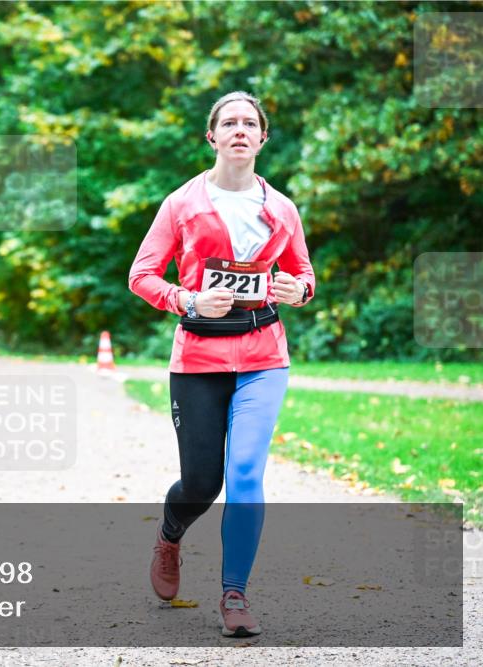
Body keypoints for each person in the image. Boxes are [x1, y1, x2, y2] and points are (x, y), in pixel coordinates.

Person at [128, 91, 315, 638]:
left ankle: (235, 595)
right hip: (198, 357)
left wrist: (296, 288)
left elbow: (305, 276)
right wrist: (185, 301)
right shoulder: (181, 203)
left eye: (249, 123)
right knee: (201, 483)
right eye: (228, 122)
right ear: (212, 137)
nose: (239, 130)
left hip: (263, 355)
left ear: (262, 138)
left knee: (247, 474)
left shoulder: (282, 208)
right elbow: (142, 275)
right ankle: (170, 535)